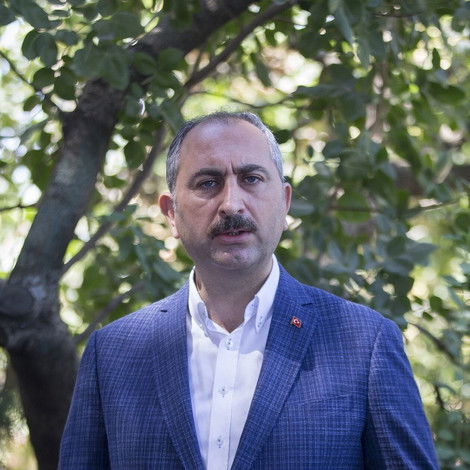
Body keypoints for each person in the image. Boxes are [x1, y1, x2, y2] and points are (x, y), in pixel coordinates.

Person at [59, 112, 438, 469]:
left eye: (251, 179)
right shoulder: (112, 354)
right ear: (171, 213)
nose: (231, 204)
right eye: (208, 183)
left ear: (285, 203)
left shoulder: (363, 343)